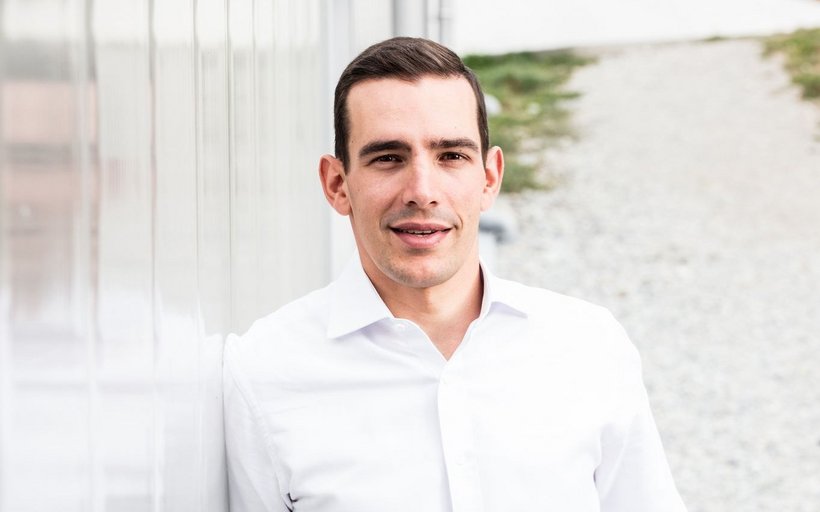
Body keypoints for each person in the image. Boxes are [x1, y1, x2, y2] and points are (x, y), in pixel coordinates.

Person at [223, 36, 687, 512]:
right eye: (388, 158)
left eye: (451, 156)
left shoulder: (589, 347)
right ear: (338, 184)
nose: (422, 191)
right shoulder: (264, 373)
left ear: (489, 178)